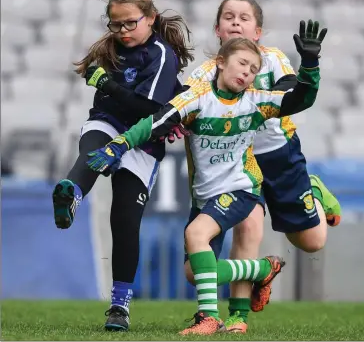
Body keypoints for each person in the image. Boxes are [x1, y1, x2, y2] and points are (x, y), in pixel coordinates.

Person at [85, 36, 322, 335]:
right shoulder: (196, 98)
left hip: (241, 188)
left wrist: (310, 64)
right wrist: (119, 145)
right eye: (242, 64)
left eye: (253, 69)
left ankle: (208, 318)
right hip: (204, 196)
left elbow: (300, 99)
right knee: (195, 272)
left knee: (195, 233)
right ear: (220, 63)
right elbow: (155, 123)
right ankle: (261, 269)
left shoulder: (257, 101)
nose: (247, 72)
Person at [183, 0, 341, 333]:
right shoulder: (203, 74)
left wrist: (300, 69)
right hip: (234, 162)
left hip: (279, 156)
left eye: (243, 17)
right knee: (235, 238)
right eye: (228, 16)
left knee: (312, 242)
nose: (235, 22)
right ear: (217, 29)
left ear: (258, 31)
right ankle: (239, 314)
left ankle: (311, 187)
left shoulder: (271, 59)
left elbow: (289, 88)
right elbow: (184, 106)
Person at [51, 0, 193, 331]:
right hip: (107, 121)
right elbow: (114, 99)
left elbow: (152, 111)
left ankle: (119, 306)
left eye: (131, 24)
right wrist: (105, 87)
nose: (123, 32)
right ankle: (72, 194)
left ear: (151, 18)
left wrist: (108, 86)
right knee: (92, 152)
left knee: (125, 219)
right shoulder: (111, 47)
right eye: (116, 25)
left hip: (143, 137)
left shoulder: (160, 54)